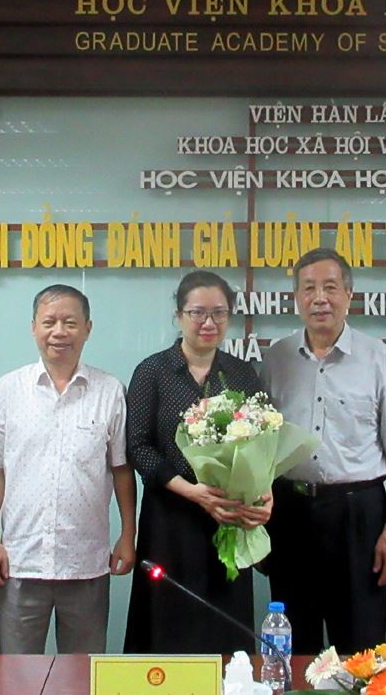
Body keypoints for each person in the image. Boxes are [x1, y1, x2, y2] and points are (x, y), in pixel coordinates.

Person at [259, 247, 386, 655]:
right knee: (294, 643)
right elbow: (260, 445)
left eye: (330, 287)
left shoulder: (379, 359)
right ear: (296, 297)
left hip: (359, 515)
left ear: (349, 294)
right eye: (309, 288)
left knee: (360, 646)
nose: (320, 298)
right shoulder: (276, 359)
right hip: (291, 513)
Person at [0, 284, 137, 654]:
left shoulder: (110, 391)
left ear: (87, 328)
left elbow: (121, 470)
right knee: (16, 674)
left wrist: (128, 535)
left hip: (86, 562)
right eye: (49, 322)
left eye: (70, 322)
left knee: (82, 674)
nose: (59, 332)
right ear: (34, 327)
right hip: (20, 561)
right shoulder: (7, 390)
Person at [124, 270, 272, 654]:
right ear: (179, 316)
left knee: (225, 627)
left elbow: (264, 442)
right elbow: (138, 446)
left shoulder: (240, 373)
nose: (209, 322)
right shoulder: (153, 371)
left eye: (219, 313)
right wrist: (192, 492)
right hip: (170, 519)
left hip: (227, 516)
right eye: (197, 313)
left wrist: (263, 490)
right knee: (168, 621)